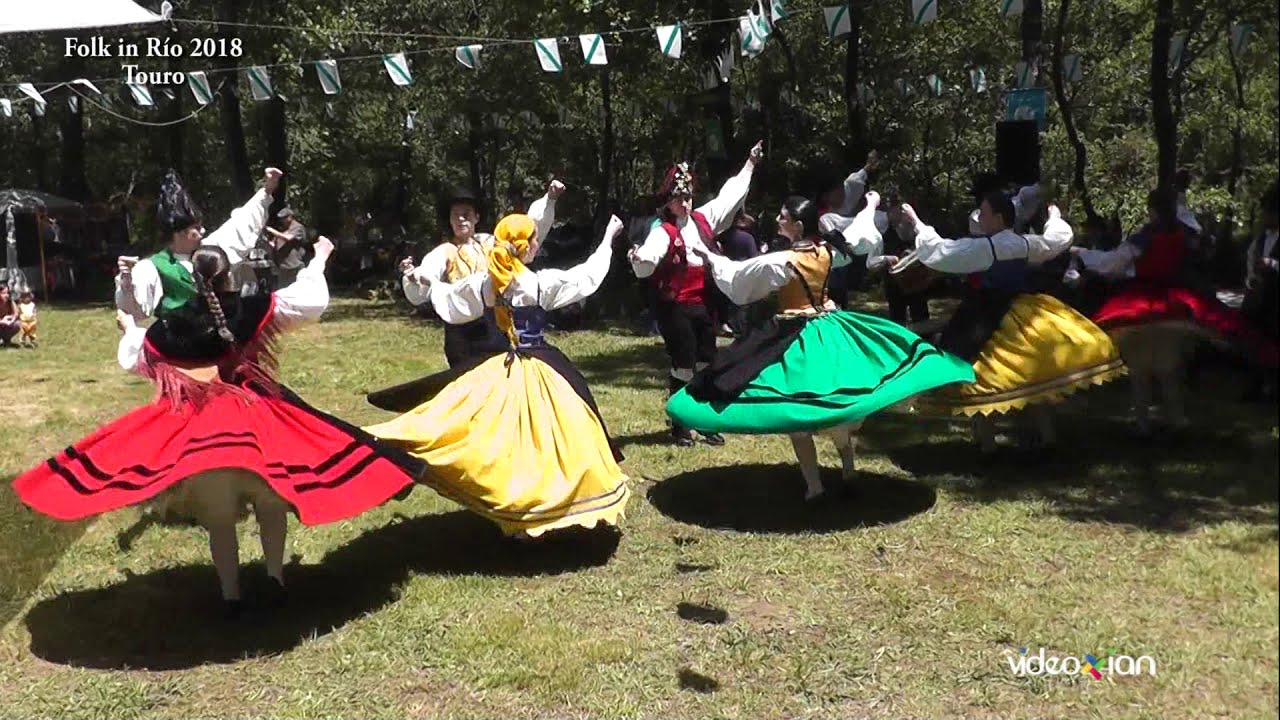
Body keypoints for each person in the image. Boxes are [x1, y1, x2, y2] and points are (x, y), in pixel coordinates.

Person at [13, 236, 426, 617]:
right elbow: (310, 301)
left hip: (201, 438)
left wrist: (129, 326)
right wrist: (318, 258)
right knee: (270, 504)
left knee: (220, 517)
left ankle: (231, 596)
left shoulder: (170, 327)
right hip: (256, 424)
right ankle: (275, 579)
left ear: (193, 280)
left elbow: (138, 354)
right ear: (231, 275)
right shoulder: (253, 307)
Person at [668, 192, 974, 501]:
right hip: (829, 326)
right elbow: (859, 233)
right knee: (837, 397)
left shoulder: (782, 261)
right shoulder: (828, 249)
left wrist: (710, 258)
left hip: (797, 335)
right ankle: (848, 470)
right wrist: (869, 205)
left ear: (798, 226)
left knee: (799, 410)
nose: (777, 220)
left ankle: (815, 487)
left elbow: (738, 279)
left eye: (782, 217)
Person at [365, 214, 629, 537]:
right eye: (533, 241)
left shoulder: (486, 282)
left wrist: (427, 284)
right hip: (538, 367)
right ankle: (541, 507)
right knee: (556, 436)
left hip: (502, 367)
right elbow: (585, 277)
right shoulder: (536, 283)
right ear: (526, 248)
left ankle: (515, 513)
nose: (536, 245)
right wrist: (607, 240)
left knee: (495, 439)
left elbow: (451, 299)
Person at [902, 196, 1125, 453]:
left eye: (984, 213)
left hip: (986, 314)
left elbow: (942, 252)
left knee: (980, 373)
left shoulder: (987, 247)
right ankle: (1046, 437)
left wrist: (917, 223)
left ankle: (988, 445)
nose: (980, 218)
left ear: (999, 217)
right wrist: (1054, 217)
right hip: (1021, 310)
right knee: (1032, 373)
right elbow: (1058, 239)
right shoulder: (1024, 242)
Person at [1071, 191, 1278, 432]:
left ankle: (1143, 424)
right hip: (1176, 302)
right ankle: (1177, 421)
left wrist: (1082, 254)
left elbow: (1111, 264)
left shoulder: (1144, 237)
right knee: (1169, 368)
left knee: (1139, 368)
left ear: (1152, 210)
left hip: (1142, 301)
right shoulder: (1183, 234)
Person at [628, 141, 764, 447]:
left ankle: (703, 420)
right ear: (668, 201)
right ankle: (680, 423)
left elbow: (730, 195)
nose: (684, 203)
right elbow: (649, 259)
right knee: (684, 364)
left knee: (707, 361)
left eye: (688, 196)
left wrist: (750, 164)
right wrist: (639, 260)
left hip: (704, 305)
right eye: (678, 198)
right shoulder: (663, 231)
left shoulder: (703, 220)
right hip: (674, 307)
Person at [399, 180, 565, 368]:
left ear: (476, 217)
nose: (461, 219)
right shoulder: (445, 251)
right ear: (450, 220)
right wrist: (413, 276)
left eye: (466, 214)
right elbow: (427, 275)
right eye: (456, 215)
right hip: (463, 334)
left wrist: (549, 199)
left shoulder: (490, 243)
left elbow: (526, 231)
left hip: (496, 328)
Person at [116, 167, 280, 323]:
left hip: (218, 341)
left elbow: (241, 223)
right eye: (196, 228)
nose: (203, 230)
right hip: (177, 344)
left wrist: (267, 189)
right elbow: (135, 313)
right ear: (178, 233)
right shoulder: (153, 267)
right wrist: (127, 282)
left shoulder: (210, 253)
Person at [881, 197, 931, 326]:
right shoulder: (886, 233)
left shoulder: (918, 230)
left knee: (921, 318)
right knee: (897, 319)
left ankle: (924, 343)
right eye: (894, 210)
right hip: (895, 283)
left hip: (916, 281)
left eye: (901, 211)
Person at [716, 209, 762, 336]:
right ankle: (738, 327)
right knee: (741, 304)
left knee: (726, 301)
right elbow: (753, 257)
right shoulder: (747, 238)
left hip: (725, 272)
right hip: (742, 273)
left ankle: (725, 324)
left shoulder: (720, 236)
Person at [265, 207, 310, 288]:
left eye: (284, 218)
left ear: (290, 217)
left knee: (296, 291)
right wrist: (265, 240)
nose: (282, 220)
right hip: (283, 266)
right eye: (280, 218)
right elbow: (273, 245)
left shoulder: (297, 227)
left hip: (295, 265)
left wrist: (272, 230)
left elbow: (288, 238)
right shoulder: (282, 229)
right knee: (283, 292)